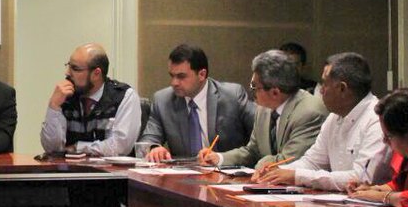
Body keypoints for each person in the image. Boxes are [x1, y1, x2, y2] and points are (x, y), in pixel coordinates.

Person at [256, 52, 392, 189]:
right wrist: (278, 171)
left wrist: (297, 176)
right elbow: (313, 162)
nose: (320, 91)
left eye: (325, 84)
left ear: (342, 88)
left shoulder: (377, 120)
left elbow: (362, 178)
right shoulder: (334, 117)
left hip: (368, 201)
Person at [198, 50, 326, 170]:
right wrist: (219, 158)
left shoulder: (310, 112)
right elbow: (253, 151)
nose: (251, 91)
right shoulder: (263, 109)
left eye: (255, 87)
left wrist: (260, 165)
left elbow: (289, 161)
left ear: (275, 92)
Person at [138, 44, 256, 162]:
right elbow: (147, 140)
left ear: (202, 75)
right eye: (172, 76)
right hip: (183, 172)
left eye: (181, 76)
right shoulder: (163, 100)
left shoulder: (232, 96)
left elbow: (259, 137)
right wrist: (154, 148)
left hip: (225, 169)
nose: (174, 83)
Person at [40, 42, 139, 156]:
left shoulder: (124, 96)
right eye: (68, 66)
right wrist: (54, 106)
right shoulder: (65, 96)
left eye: (75, 68)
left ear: (96, 74)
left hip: (110, 168)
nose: (67, 73)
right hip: (70, 167)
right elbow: (52, 148)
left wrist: (78, 147)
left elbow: (120, 147)